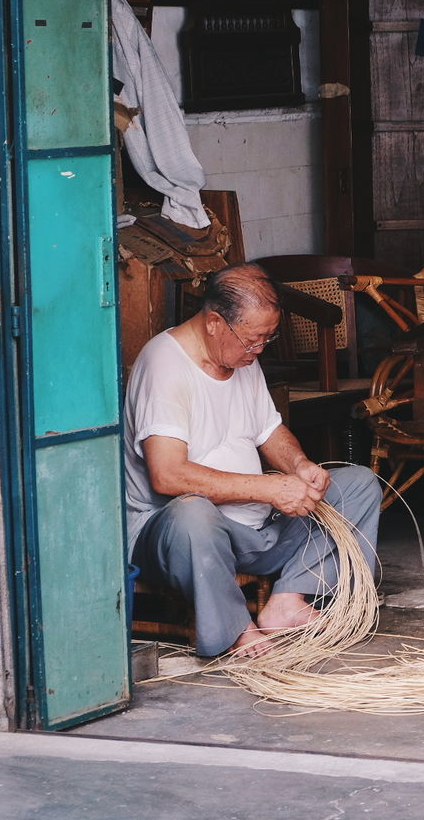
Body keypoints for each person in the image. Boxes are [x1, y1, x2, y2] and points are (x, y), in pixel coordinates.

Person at [123, 262, 381, 656]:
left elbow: (270, 431)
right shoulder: (164, 366)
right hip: (186, 540)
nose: (258, 350)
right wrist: (269, 486)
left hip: (258, 529)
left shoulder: (240, 358)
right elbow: (167, 475)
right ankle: (234, 627)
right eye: (252, 340)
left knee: (358, 483)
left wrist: (299, 466)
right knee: (192, 512)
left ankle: (289, 597)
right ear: (213, 322)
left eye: (266, 339)